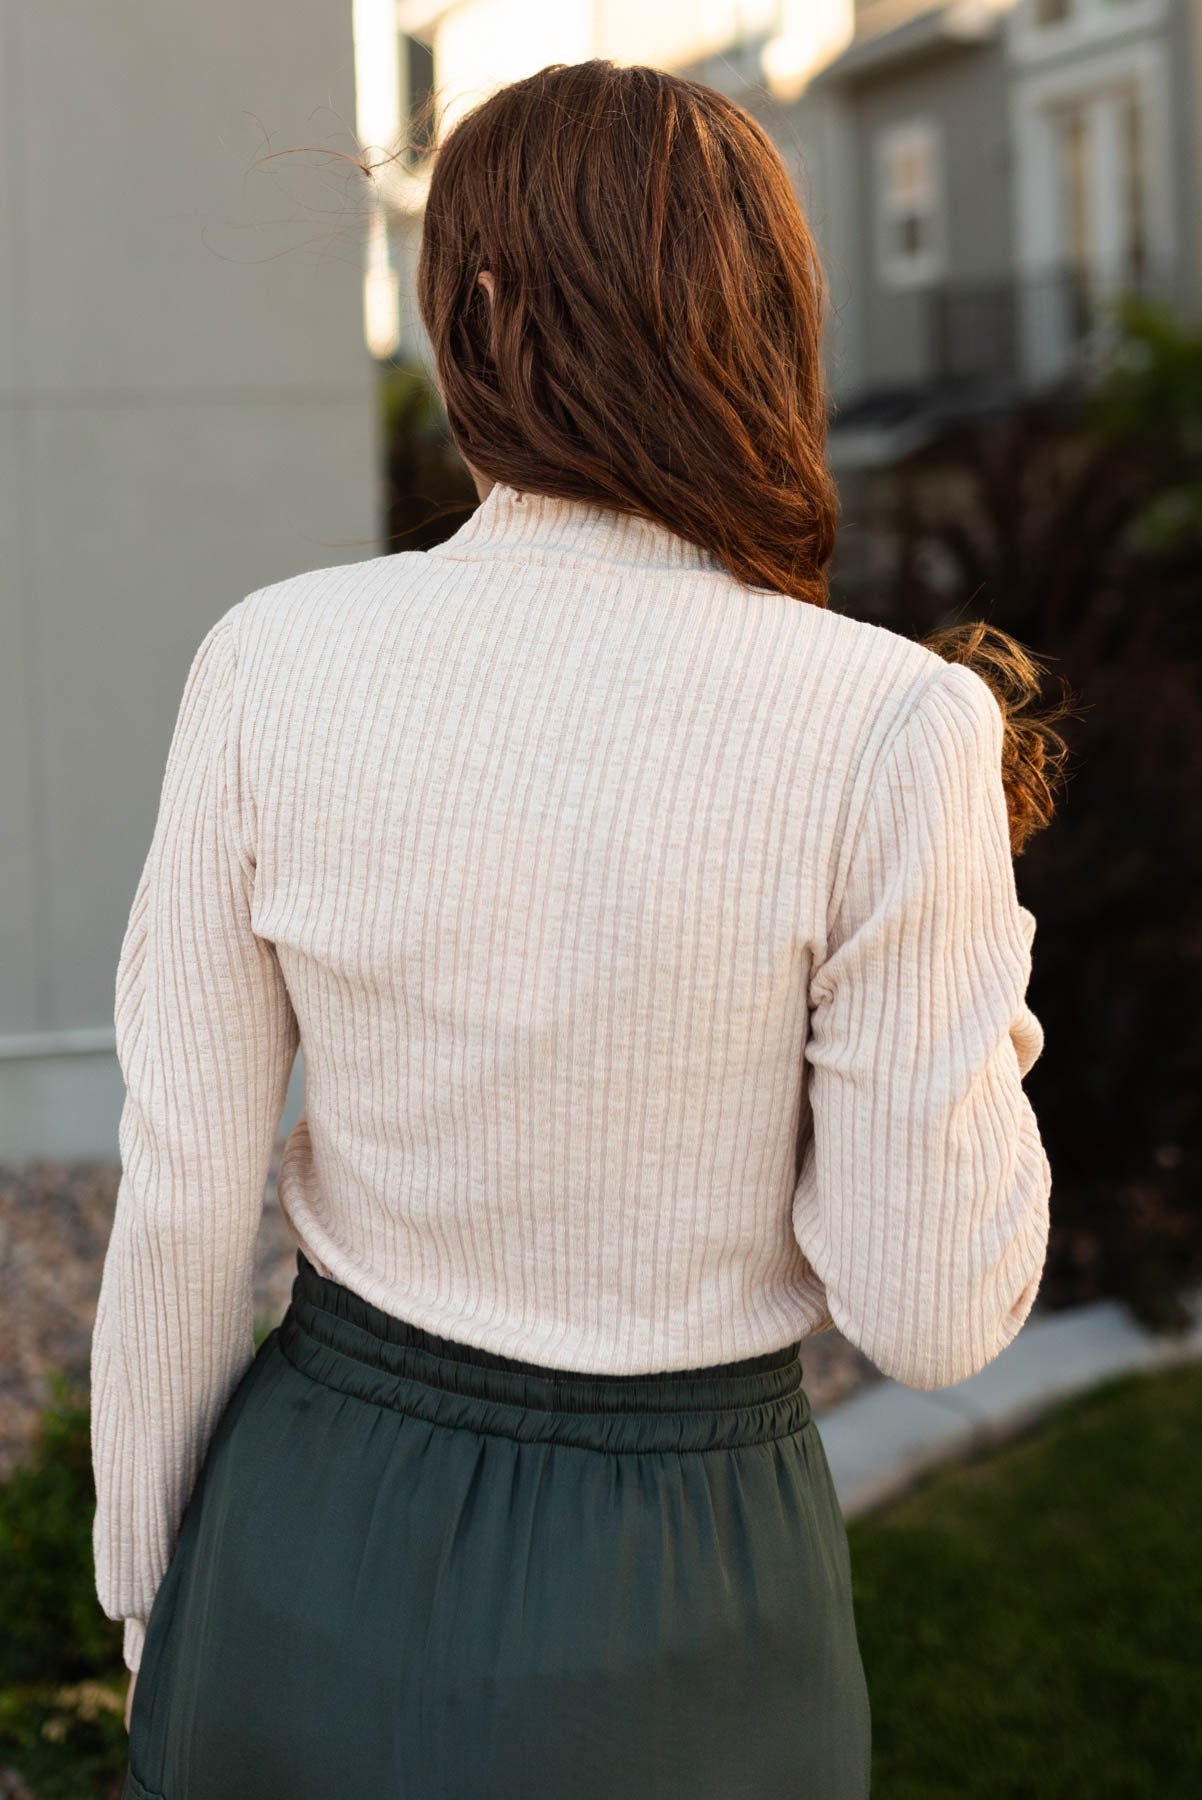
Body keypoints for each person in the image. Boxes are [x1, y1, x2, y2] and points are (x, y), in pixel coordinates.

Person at [91, 58, 1058, 1800]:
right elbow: (929, 1308)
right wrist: (977, 999)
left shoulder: (268, 659)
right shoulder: (890, 727)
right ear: (766, 320)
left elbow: (177, 1194)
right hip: (682, 1587)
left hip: (304, 1526)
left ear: (468, 316)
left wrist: (152, 1588)